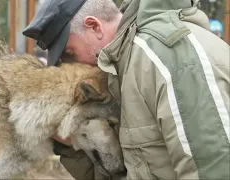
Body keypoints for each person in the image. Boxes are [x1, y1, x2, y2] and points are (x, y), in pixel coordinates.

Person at [23, 0, 230, 179]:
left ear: (94, 26)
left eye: (70, 54)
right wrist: (71, 144)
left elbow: (212, 169)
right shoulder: (122, 71)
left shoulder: (168, 59)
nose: (72, 67)